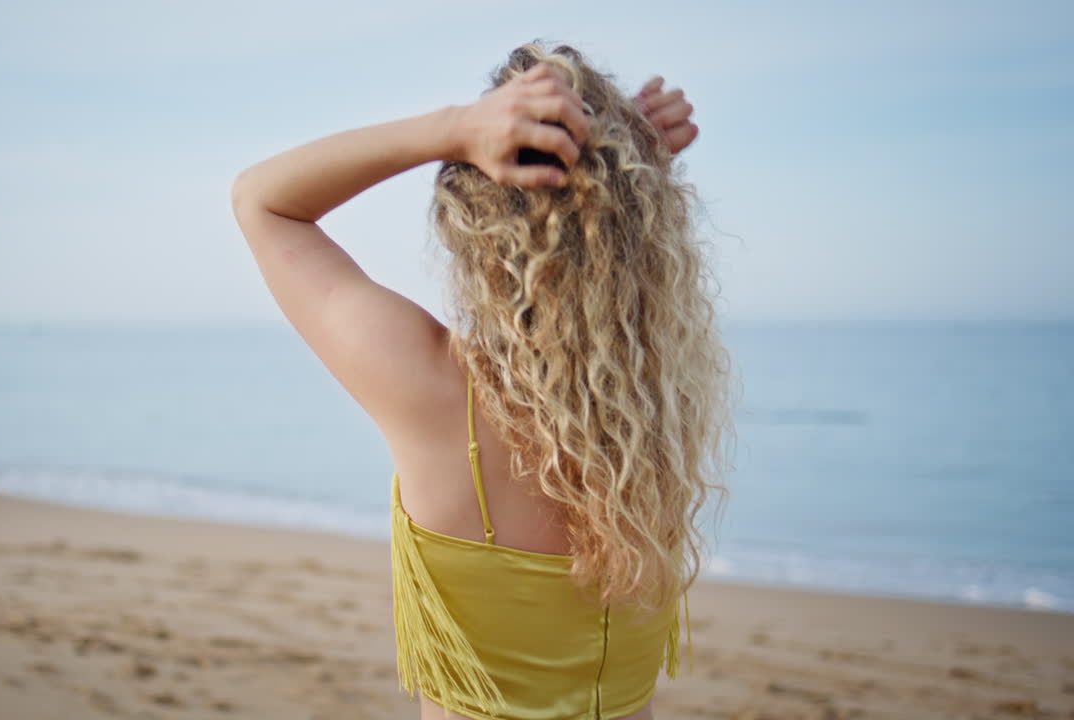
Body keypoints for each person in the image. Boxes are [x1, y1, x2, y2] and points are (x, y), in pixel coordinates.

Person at [232, 42, 731, 720]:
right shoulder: (653, 419)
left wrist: (451, 127)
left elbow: (262, 201)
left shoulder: (430, 390)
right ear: (637, 226)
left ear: (473, 221)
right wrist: (625, 169)